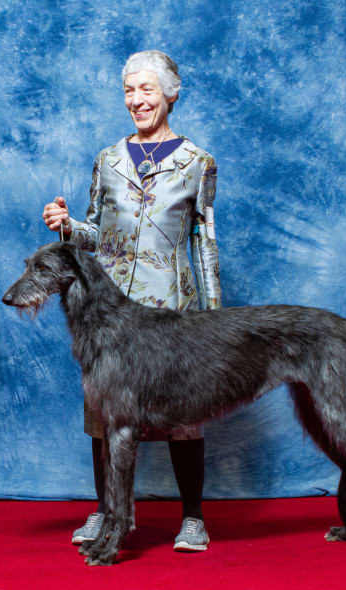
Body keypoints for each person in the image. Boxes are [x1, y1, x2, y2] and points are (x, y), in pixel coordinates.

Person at [42, 50, 221, 552]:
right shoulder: (108, 159)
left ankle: (193, 518)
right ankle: (108, 512)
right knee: (105, 412)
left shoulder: (197, 163)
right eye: (128, 90)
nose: (137, 100)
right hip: (109, 311)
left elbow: (204, 243)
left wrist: (214, 316)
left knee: (186, 416)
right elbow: (93, 234)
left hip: (174, 310)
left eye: (146, 89)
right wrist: (66, 225)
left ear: (171, 93)